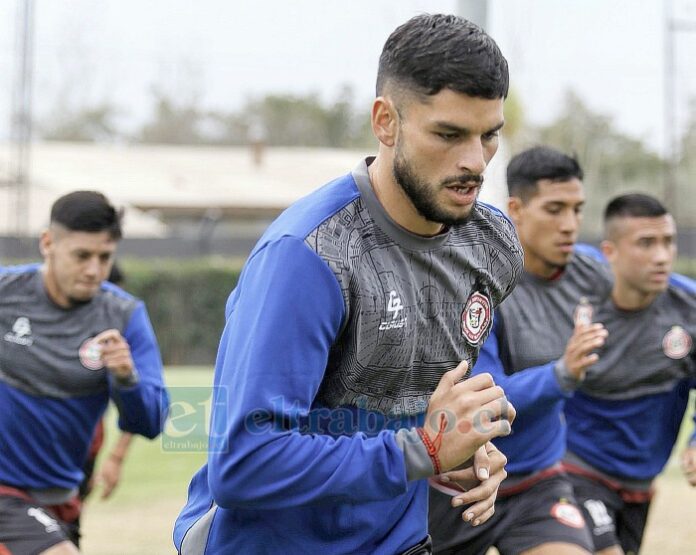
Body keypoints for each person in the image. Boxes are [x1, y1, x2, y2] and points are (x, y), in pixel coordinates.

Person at [174, 13, 522, 555]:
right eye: (448, 134)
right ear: (386, 122)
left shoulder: (492, 245)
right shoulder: (308, 254)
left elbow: (414, 416)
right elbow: (244, 463)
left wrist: (459, 454)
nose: (474, 161)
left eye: (489, 135)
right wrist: (421, 450)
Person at [429, 145, 610, 555]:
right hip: (459, 484)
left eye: (578, 210)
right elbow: (483, 400)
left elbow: (659, 292)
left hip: (538, 483)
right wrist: (562, 374)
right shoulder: (476, 283)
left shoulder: (591, 270)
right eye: (555, 209)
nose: (570, 225)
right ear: (516, 209)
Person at [0, 191, 169, 555]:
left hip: (62, 497)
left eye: (104, 257)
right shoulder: (6, 293)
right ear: (48, 243)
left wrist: (126, 377)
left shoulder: (124, 316)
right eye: (82, 256)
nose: (94, 270)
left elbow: (152, 421)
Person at [562, 193, 696, 555]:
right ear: (611, 251)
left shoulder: (689, 309)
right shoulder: (576, 307)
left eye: (667, 242)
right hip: (575, 467)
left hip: (641, 477)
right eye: (646, 243)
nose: (662, 256)